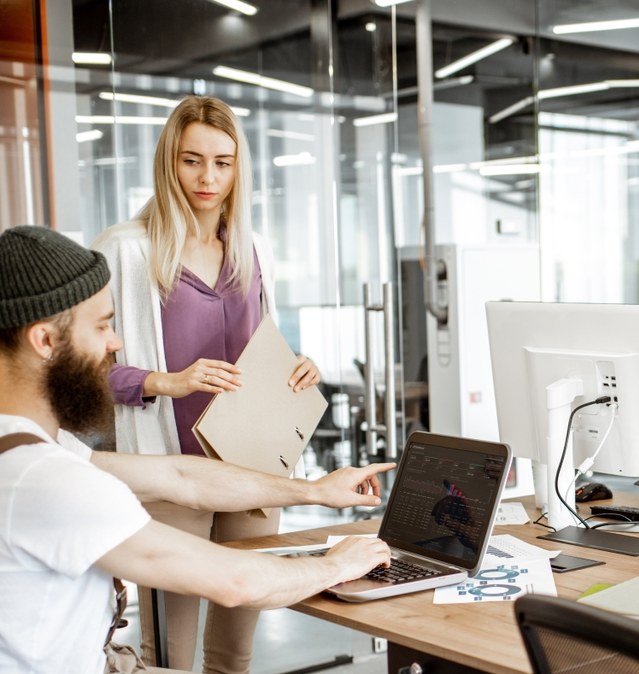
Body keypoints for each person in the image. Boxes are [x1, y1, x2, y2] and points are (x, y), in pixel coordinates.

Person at [0, 225, 393, 673]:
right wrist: (337, 565)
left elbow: (181, 477)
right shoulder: (48, 482)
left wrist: (314, 491)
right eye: (103, 325)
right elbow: (236, 581)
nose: (116, 343)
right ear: (45, 340)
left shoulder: (35, 450)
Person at [91, 95, 320, 672]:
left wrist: (298, 365)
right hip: (174, 475)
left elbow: (262, 349)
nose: (208, 177)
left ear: (239, 167)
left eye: (223, 161)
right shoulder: (128, 250)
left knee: (235, 652)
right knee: (169, 655)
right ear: (170, 162)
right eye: (193, 160)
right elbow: (86, 368)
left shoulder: (253, 249)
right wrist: (167, 381)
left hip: (253, 470)